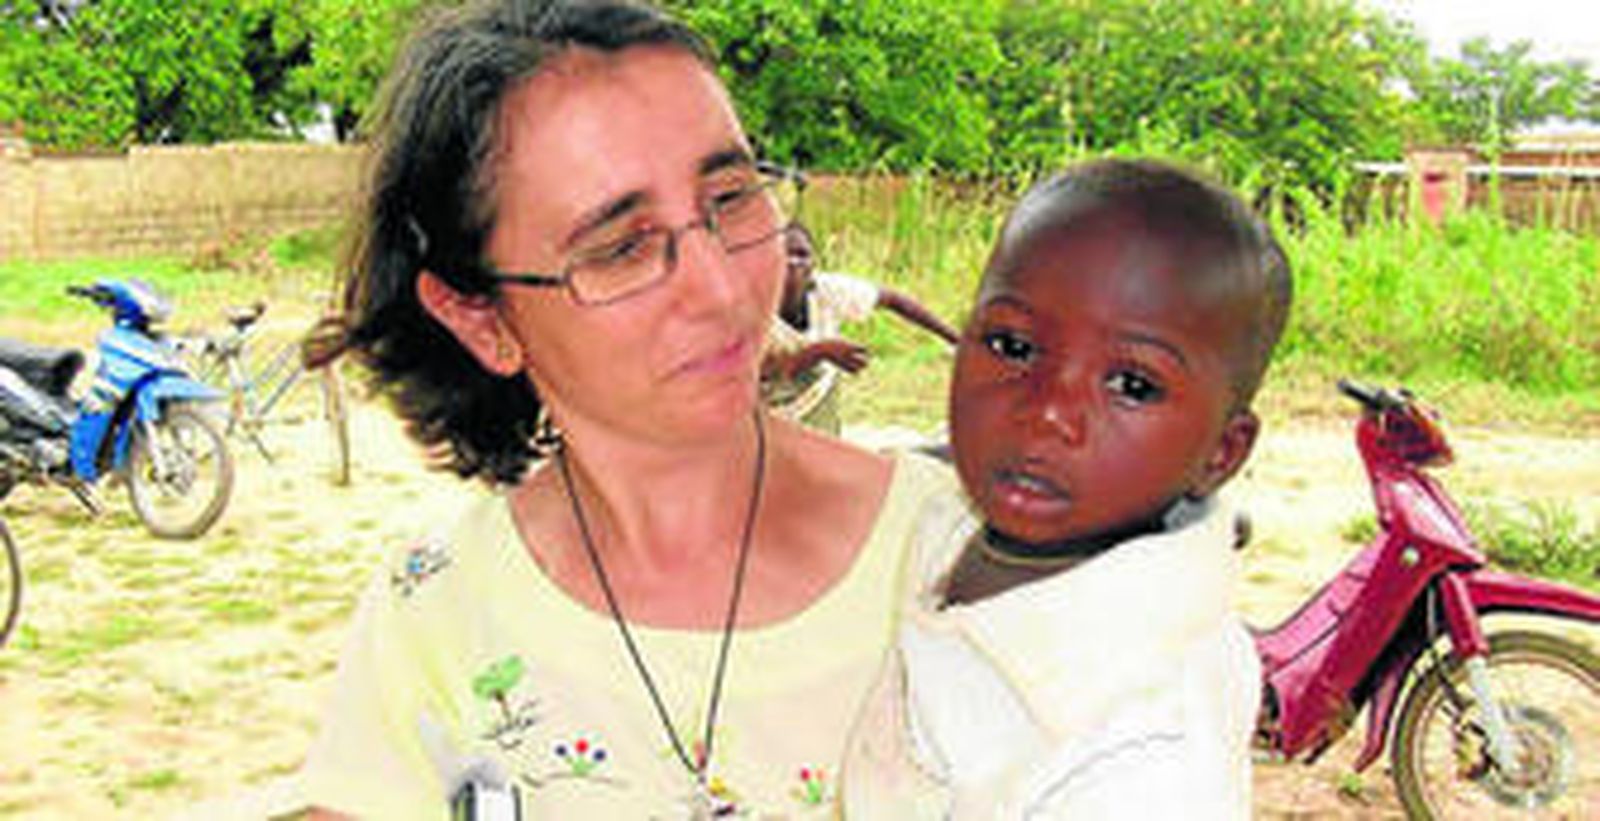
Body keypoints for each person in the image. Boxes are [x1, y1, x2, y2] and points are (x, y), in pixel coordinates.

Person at [296, 1, 954, 817]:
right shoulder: (434, 617)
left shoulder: (963, 564)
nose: (719, 289)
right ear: (484, 319)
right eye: (619, 248)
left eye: (733, 195)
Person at [842, 158, 1293, 818]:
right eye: (1012, 345)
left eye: (1132, 385)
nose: (1047, 409)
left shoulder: (1148, 754)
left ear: (1220, 453)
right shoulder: (952, 519)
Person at [762, 222, 959, 433]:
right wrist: (822, 350)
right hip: (765, 418)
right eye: (782, 254)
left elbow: (894, 300)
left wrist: (956, 339)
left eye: (802, 255)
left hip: (817, 404)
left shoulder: (827, 291)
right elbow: (768, 372)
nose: (793, 263)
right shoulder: (750, 311)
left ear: (814, 265)